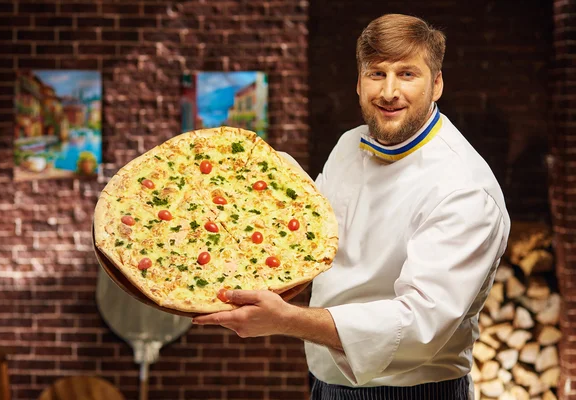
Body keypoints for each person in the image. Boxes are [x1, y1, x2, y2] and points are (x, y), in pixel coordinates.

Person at [193, 13, 510, 400]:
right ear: (359, 82)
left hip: (415, 392)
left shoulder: (464, 188)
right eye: (377, 74)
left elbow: (419, 326)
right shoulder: (348, 145)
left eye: (407, 74)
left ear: (437, 83)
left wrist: (286, 320)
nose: (389, 91)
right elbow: (312, 239)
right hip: (326, 380)